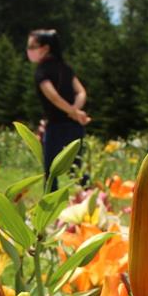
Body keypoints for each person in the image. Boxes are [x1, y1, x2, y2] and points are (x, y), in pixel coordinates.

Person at [26, 29, 89, 191]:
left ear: (45, 48)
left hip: (55, 127)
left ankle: (50, 211)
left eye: (32, 46)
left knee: (51, 172)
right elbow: (81, 92)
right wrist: (75, 111)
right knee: (76, 169)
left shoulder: (42, 71)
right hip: (75, 125)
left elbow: (53, 97)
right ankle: (91, 199)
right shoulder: (66, 68)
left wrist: (72, 111)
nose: (29, 50)